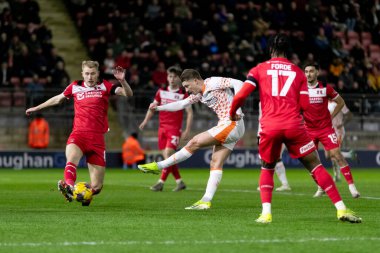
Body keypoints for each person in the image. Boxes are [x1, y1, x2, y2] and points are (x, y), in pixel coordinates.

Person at [229, 33, 361, 223]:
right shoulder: (298, 72)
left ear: (271, 49)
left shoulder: (259, 69)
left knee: (267, 168)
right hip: (293, 125)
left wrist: (233, 113)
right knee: (315, 165)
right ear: (288, 50)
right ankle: (341, 209)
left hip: (270, 126)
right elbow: (304, 103)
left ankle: (266, 213)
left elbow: (240, 96)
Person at [25, 61, 133, 206]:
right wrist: (37, 108)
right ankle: (68, 186)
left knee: (97, 187)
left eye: (93, 73)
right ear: (82, 74)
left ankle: (81, 193)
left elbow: (128, 94)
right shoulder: (75, 86)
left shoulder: (105, 86)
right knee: (71, 160)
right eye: (87, 73)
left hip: (97, 139)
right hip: (79, 134)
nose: (90, 77)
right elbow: (58, 98)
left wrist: (122, 81)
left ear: (98, 74)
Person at [138, 69, 245, 210]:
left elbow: (239, 82)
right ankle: (205, 201)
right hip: (229, 126)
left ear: (195, 80)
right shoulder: (199, 95)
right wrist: (158, 108)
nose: (187, 90)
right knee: (215, 162)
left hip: (232, 123)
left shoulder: (212, 82)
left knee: (194, 142)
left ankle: (159, 166)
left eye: (187, 86)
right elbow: (181, 104)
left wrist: (237, 109)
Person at [303, 64, 360, 198]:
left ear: (317, 72)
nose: (308, 74)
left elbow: (340, 102)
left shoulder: (325, 88)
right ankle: (320, 187)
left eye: (311, 71)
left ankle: (353, 188)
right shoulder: (301, 89)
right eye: (306, 71)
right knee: (309, 161)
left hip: (325, 129)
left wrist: (331, 116)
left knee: (337, 155)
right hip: (308, 130)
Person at [139, 66, 193, 192]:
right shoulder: (161, 91)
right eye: (170, 76)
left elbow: (190, 112)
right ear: (167, 77)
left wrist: (187, 130)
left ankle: (160, 182)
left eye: (174, 76)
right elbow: (152, 107)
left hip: (174, 129)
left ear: (179, 79)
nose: (172, 79)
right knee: (168, 159)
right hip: (162, 128)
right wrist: (146, 120)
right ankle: (180, 182)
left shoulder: (182, 94)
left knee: (168, 154)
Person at [257, 102, 291, 191]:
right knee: (266, 158)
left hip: (272, 131)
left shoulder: (277, 101)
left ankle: (282, 184)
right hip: (263, 132)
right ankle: (269, 183)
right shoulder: (263, 102)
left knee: (274, 158)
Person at [327, 100, 357, 181]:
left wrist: (342, 124)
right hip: (328, 131)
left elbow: (350, 115)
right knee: (329, 155)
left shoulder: (339, 102)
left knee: (334, 153)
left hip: (338, 131)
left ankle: (337, 176)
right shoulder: (324, 102)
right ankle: (349, 155)